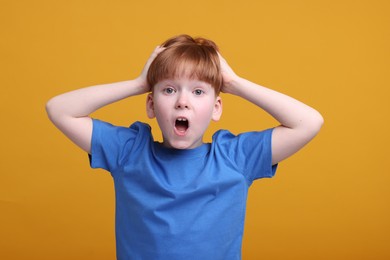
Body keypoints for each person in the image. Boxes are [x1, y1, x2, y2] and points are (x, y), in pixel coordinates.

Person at [46, 34, 323, 260]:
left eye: (198, 91)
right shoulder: (129, 152)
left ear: (216, 108)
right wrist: (138, 84)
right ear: (151, 105)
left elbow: (309, 122)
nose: (182, 101)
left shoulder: (234, 158)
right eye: (169, 90)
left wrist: (235, 83)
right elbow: (59, 109)